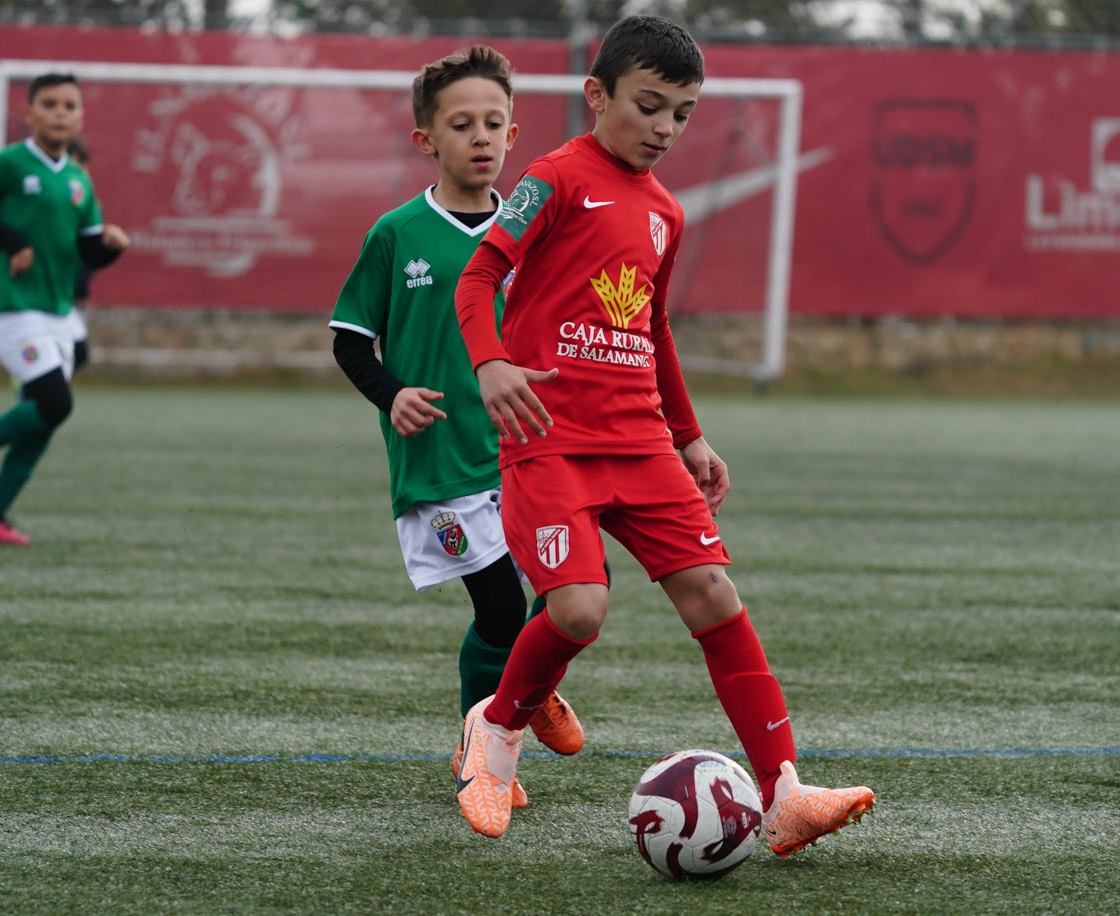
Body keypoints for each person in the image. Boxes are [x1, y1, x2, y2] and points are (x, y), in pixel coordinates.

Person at [452, 15, 876, 852]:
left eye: (681, 114)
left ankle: (784, 792)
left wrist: (689, 434)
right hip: (551, 437)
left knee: (716, 594)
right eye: (649, 106)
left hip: (641, 441)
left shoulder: (666, 212)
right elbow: (480, 275)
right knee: (577, 610)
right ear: (596, 94)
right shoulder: (555, 177)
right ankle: (495, 730)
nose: (665, 129)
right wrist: (490, 364)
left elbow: (654, 327)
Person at [327, 46, 588, 807]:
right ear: (427, 140)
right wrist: (393, 392)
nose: (480, 137)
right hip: (440, 458)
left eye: (494, 124)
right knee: (501, 608)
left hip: (528, 450)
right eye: (462, 123)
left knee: (568, 592)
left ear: (514, 138)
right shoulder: (397, 234)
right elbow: (349, 337)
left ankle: (526, 690)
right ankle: (481, 752)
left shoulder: (532, 232)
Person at [0, 72, 129, 545]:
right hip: (11, 304)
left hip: (57, 310)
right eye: (49, 104)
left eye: (69, 106)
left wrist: (113, 246)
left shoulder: (78, 182)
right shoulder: (6, 164)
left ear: (81, 117)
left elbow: (90, 251)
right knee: (55, 402)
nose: (60, 113)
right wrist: (13, 242)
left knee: (45, 416)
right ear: (28, 114)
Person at [66, 137, 95, 372]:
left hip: (71, 292)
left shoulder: (88, 202)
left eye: (81, 165)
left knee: (78, 354)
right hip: (40, 294)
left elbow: (91, 252)